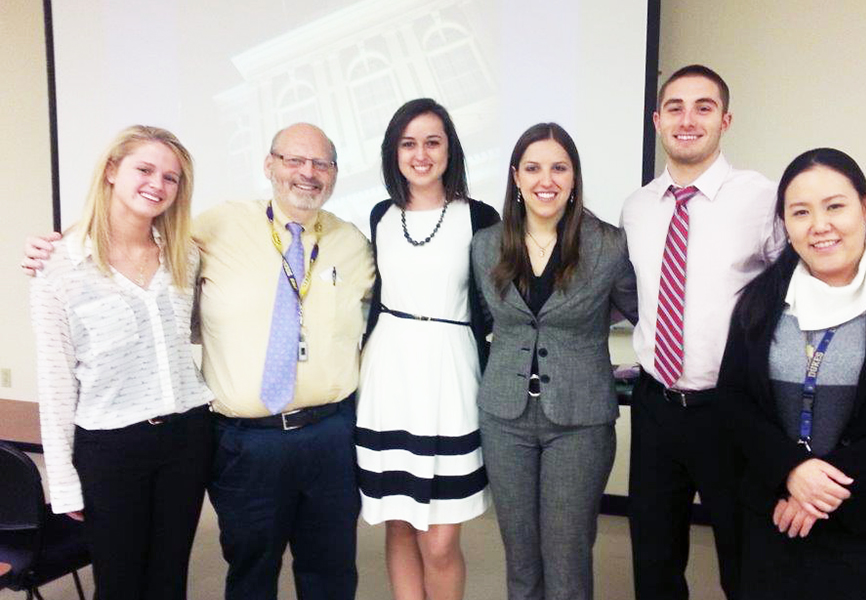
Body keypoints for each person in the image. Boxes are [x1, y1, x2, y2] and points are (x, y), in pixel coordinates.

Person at [24, 122, 375, 600]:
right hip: (236, 441)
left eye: (321, 163)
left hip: (312, 434)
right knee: (244, 570)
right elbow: (58, 376)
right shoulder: (214, 228)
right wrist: (57, 243)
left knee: (327, 570)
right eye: (293, 159)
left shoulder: (351, 244)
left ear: (335, 174)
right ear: (269, 166)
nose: (307, 173)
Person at [717, 148, 866, 599]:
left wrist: (820, 483)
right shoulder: (759, 299)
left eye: (835, 206)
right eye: (801, 212)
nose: (820, 225)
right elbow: (733, 401)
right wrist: (791, 471)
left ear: (865, 208)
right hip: (776, 522)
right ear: (785, 224)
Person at [619, 64, 784, 600]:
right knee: (654, 557)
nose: (687, 120)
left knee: (743, 556)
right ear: (657, 120)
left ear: (725, 120)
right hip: (655, 405)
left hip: (730, 410)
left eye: (703, 107)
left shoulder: (761, 199)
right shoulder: (637, 207)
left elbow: (792, 294)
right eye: (675, 108)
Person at [29, 125, 214, 599]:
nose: (158, 184)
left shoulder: (184, 257)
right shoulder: (58, 265)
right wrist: (64, 483)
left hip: (186, 438)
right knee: (119, 585)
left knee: (169, 579)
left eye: (171, 178)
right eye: (145, 169)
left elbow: (190, 332)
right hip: (111, 449)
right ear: (112, 170)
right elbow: (55, 386)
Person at [471, 122, 637, 600]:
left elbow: (643, 313)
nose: (547, 179)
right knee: (520, 557)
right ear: (516, 178)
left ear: (574, 177)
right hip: (505, 418)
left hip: (579, 422)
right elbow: (485, 317)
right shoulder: (486, 244)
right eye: (534, 168)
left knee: (566, 557)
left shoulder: (607, 244)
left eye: (559, 167)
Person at [356, 98, 496, 600]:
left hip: (449, 378)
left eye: (432, 142)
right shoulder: (379, 215)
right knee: (397, 524)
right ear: (394, 152)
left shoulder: (479, 217)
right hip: (388, 377)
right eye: (408, 143)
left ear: (450, 149)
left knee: (438, 540)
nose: (420, 154)